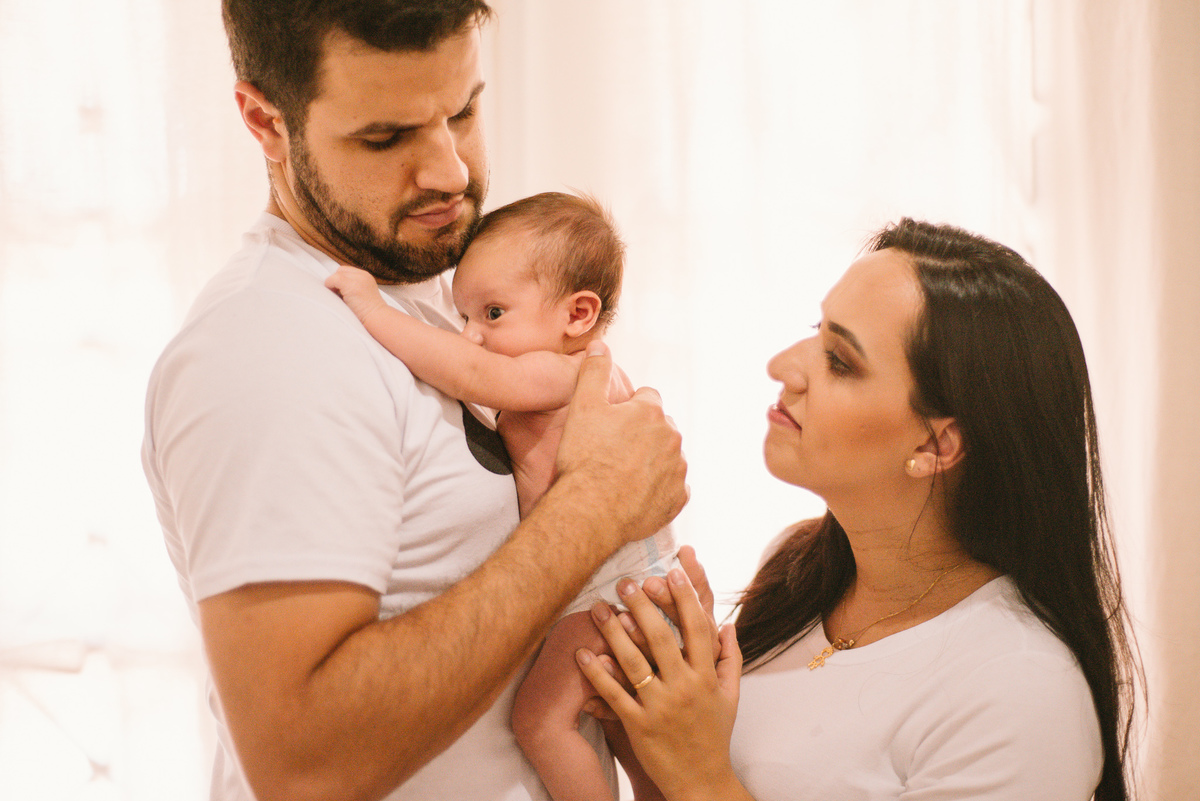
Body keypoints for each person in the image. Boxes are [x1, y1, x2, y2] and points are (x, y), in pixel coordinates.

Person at [141, 4, 692, 801]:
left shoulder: (436, 290)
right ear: (266, 122)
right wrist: (598, 507)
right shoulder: (268, 346)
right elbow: (304, 768)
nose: (450, 172)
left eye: (462, 112)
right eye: (386, 137)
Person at [577, 218, 1141, 801]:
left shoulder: (1022, 691)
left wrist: (697, 771)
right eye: (815, 331)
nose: (782, 366)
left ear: (936, 445)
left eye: (840, 361)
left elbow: (704, 776)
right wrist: (652, 721)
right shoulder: (797, 570)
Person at [326, 190, 678, 801]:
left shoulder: (564, 372)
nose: (472, 336)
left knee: (540, 723)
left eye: (492, 314)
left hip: (612, 594)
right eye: (463, 315)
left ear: (578, 315)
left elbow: (467, 373)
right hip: (633, 587)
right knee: (636, 743)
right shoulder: (576, 373)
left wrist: (371, 308)